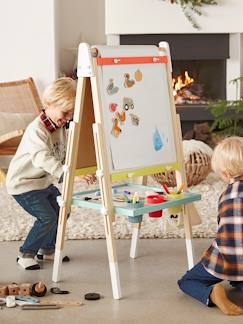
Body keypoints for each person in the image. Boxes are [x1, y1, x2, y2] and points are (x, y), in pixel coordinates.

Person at [6, 77, 96, 270]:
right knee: (48, 217)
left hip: (42, 182)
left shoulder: (61, 127)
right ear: (49, 105)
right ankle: (26, 253)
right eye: (65, 113)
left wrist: (79, 170)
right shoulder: (36, 131)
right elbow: (43, 159)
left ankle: (47, 249)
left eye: (71, 114)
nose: (68, 118)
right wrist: (68, 175)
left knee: (64, 210)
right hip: (23, 184)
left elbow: (64, 155)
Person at [178, 136, 243, 316]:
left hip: (226, 261)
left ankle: (212, 294)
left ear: (226, 174)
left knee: (187, 281)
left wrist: (209, 256)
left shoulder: (225, 196)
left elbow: (225, 233)